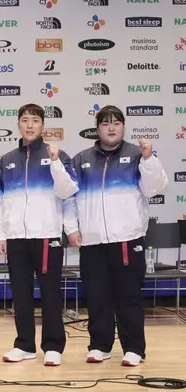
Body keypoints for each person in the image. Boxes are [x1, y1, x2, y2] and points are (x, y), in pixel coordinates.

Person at [64, 105, 168, 367]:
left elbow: (153, 188)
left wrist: (148, 159)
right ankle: (100, 345)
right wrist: (71, 228)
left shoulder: (137, 155)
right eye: (106, 123)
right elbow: (68, 198)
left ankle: (134, 349)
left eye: (117, 123)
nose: (111, 128)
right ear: (97, 128)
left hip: (127, 241)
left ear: (123, 126)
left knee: (128, 296)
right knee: (97, 296)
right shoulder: (81, 159)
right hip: (92, 242)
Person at [0, 103, 79, 366]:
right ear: (18, 124)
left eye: (35, 121)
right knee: (21, 293)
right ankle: (25, 345)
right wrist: (1, 234)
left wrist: (71, 229)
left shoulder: (58, 156)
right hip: (17, 237)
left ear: (43, 126)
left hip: (46, 237)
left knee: (50, 292)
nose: (30, 125)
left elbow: (68, 193)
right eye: (25, 120)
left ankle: (53, 346)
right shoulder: (6, 160)